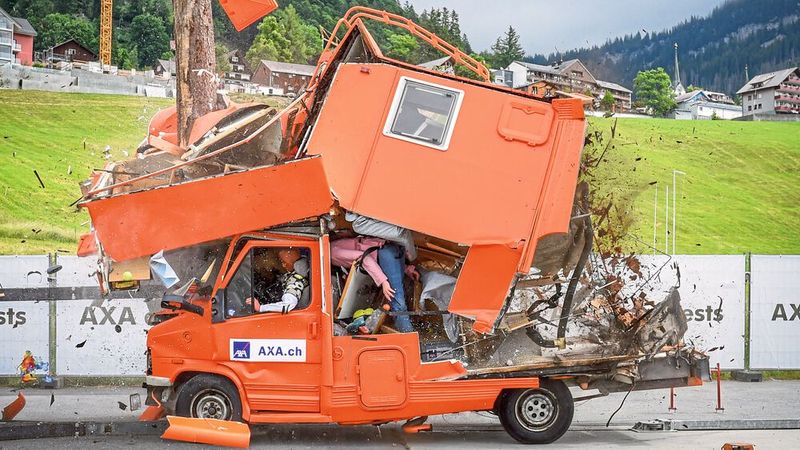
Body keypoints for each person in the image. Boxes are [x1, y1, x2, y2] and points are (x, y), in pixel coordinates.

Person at [331, 237, 419, 332]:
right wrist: (407, 269)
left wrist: (383, 282)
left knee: (397, 303)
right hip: (393, 250)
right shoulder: (333, 245)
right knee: (399, 299)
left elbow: (364, 258)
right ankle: (410, 332)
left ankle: (409, 338)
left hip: (385, 255)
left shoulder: (332, 253)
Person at [249, 249, 309, 314]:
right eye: (281, 262)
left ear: (294, 263)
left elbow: (287, 305)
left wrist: (260, 308)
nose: (283, 265)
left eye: (285, 262)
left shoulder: (295, 281)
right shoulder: (292, 274)